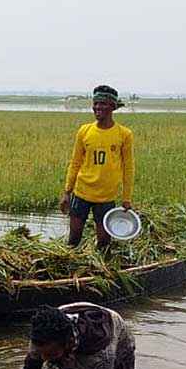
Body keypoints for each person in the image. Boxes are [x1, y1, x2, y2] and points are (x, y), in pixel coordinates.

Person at [11, 302, 136, 369]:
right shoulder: (40, 339)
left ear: (68, 344)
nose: (44, 358)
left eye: (50, 354)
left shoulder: (101, 355)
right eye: (41, 353)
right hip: (69, 341)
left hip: (119, 340)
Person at [60, 85, 135, 249]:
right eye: (96, 103)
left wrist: (126, 199)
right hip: (82, 193)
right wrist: (67, 192)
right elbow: (75, 163)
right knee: (73, 240)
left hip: (106, 197)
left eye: (103, 104)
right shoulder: (84, 131)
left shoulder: (124, 134)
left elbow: (128, 169)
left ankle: (103, 272)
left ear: (113, 107)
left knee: (104, 243)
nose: (98, 107)